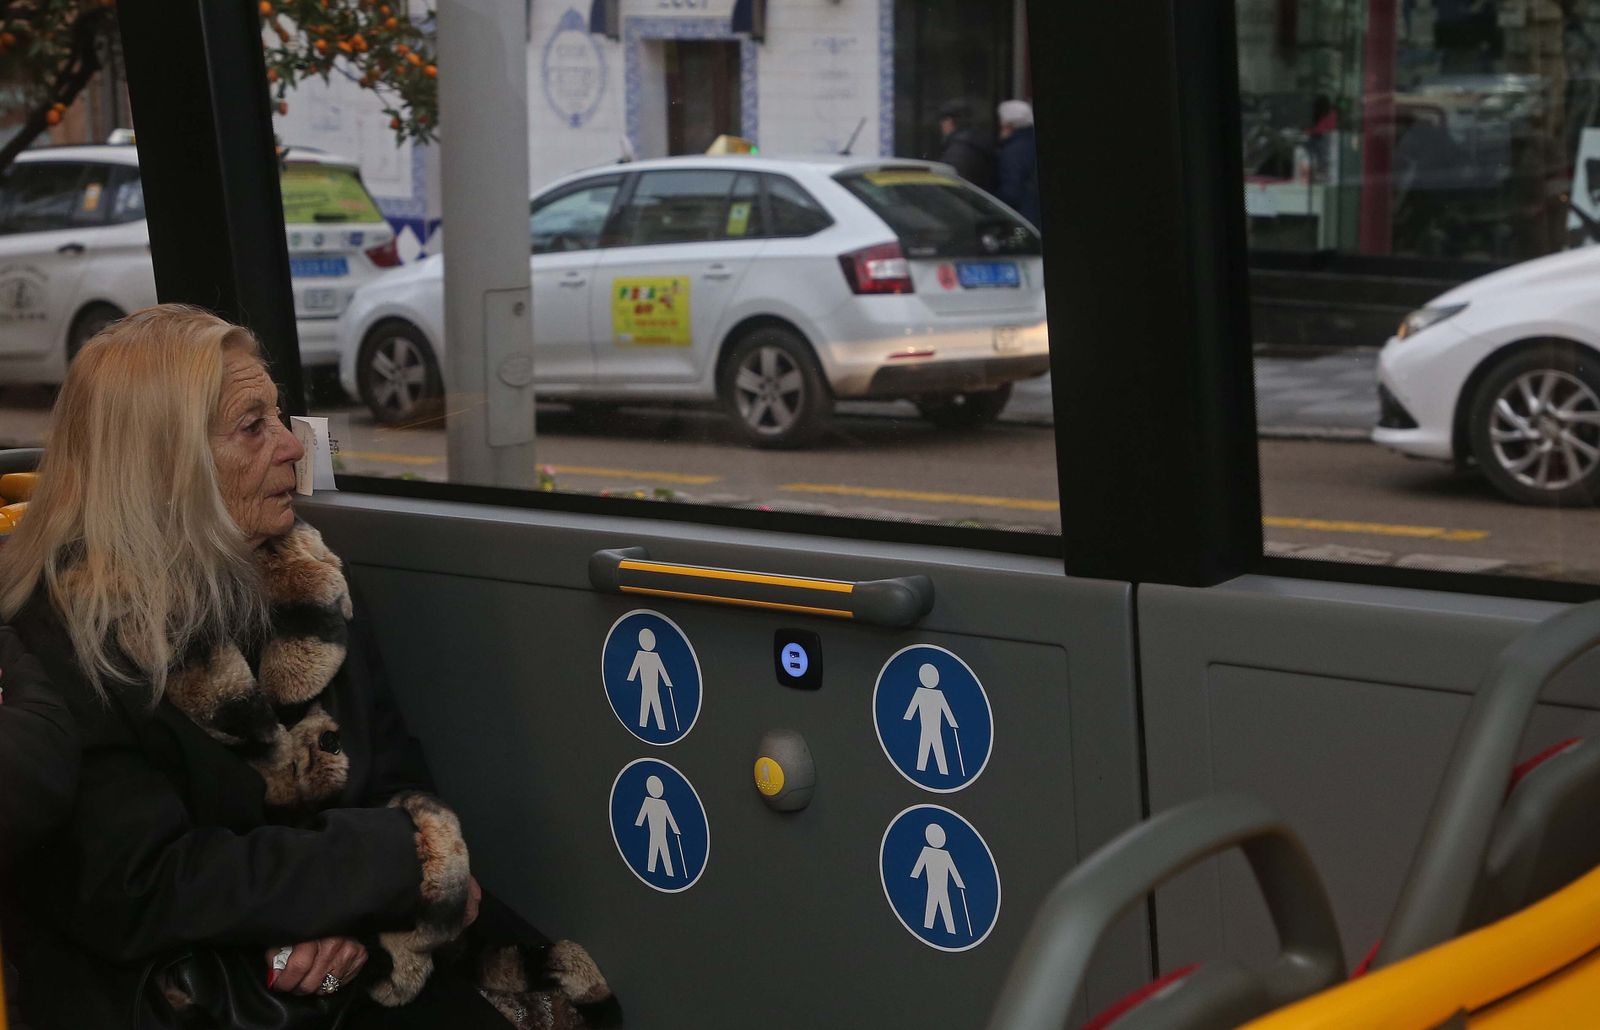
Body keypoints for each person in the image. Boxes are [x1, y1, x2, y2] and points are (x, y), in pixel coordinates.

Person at [0, 305, 616, 1030]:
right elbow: (138, 884)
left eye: (281, 418)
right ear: (162, 463)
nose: (294, 446)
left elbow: (395, 778)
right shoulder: (68, 631)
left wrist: (361, 912)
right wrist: (386, 869)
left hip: (359, 948)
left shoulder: (303, 586)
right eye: (252, 426)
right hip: (190, 989)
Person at [995, 99, 1042, 231]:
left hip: (1023, 220)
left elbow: (1011, 192)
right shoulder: (1030, 144)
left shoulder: (1013, 152)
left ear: (1008, 125)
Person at [935, 101, 997, 193]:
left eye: (943, 121)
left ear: (950, 121)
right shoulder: (973, 143)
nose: (941, 126)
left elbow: (955, 186)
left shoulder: (959, 151)